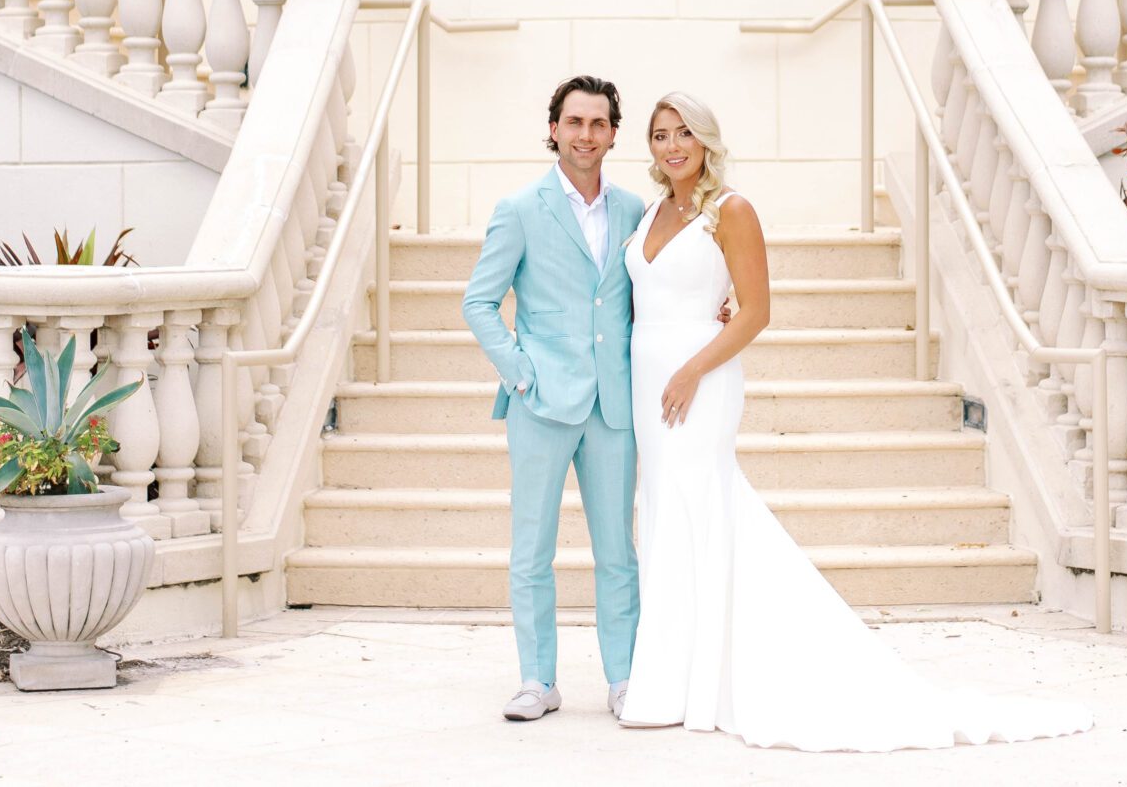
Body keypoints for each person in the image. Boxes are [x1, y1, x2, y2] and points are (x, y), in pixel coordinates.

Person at [615, 91, 1092, 751]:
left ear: (706, 142)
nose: (671, 146)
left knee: (703, 506)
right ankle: (667, 676)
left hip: (700, 380)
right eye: (661, 134)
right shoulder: (649, 212)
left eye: (684, 133)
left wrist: (693, 369)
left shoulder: (733, 210)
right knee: (665, 514)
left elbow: (755, 311)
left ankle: (708, 681)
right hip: (648, 383)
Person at [461, 74, 649, 722]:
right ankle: (537, 679)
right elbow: (478, 301)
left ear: (614, 134)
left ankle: (625, 678)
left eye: (598, 123)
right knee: (532, 547)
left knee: (618, 552)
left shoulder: (634, 209)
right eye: (574, 122)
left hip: (613, 406)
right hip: (540, 402)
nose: (586, 135)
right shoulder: (519, 208)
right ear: (553, 128)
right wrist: (520, 372)